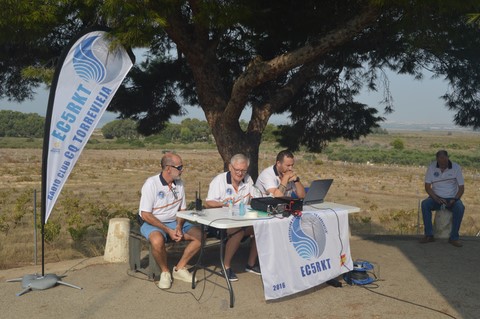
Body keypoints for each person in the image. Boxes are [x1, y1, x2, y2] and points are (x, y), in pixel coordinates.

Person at [138, 153, 202, 289]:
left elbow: (182, 210)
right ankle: (165, 272)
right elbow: (145, 214)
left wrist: (178, 226)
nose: (182, 170)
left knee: (200, 236)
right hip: (153, 222)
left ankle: (179, 268)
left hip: (174, 221)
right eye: (179, 167)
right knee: (157, 240)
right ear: (168, 168)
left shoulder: (179, 184)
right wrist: (167, 230)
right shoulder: (151, 184)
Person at [205, 154, 260, 281]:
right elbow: (208, 203)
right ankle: (226, 267)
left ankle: (251, 264)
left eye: (243, 170)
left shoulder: (248, 180)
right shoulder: (219, 181)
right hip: (218, 222)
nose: (240, 173)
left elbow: (254, 197)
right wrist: (222, 203)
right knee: (238, 232)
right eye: (237, 170)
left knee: (261, 228)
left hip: (240, 220)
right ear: (230, 167)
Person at [420, 150, 465, 247]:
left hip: (452, 198)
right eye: (440, 162)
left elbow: (461, 188)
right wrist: (435, 198)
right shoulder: (432, 167)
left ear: (448, 158)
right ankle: (429, 235)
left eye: (444, 162)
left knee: (460, 208)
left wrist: (455, 199)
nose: (443, 165)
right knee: (425, 204)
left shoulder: (456, 167)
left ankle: (454, 238)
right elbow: (427, 187)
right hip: (436, 198)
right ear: (437, 160)